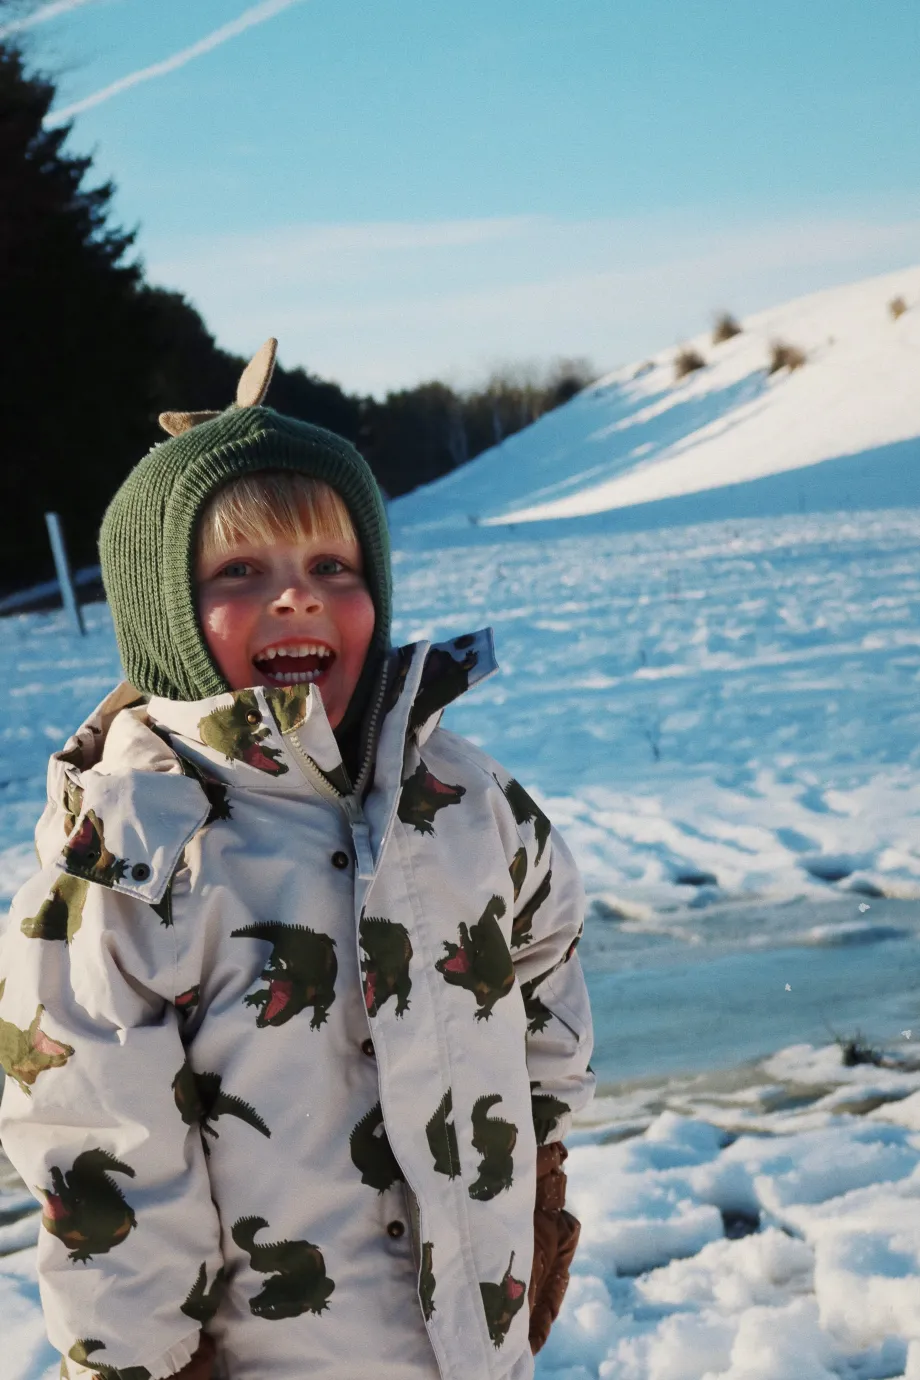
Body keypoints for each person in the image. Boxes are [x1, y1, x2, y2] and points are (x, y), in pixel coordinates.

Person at [0, 340, 594, 1380]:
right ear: (162, 618)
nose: (296, 598)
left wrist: (534, 1158)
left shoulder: (456, 795)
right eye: (241, 572)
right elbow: (94, 1132)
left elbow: (542, 946)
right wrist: (138, 1361)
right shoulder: (132, 851)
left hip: (469, 1340)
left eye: (333, 567)